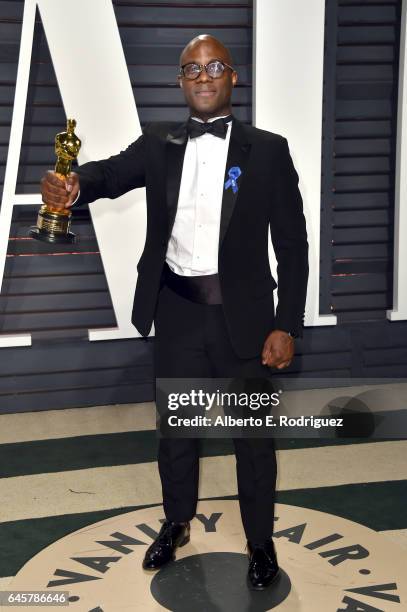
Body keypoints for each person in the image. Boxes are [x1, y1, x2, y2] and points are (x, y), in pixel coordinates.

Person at [40, 34, 309, 591]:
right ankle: (176, 522)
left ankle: (260, 541)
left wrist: (287, 323)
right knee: (177, 433)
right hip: (179, 314)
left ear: (233, 77)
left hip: (247, 321)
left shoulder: (269, 149)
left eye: (213, 67)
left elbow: (293, 244)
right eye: (191, 69)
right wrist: (73, 184)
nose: (203, 76)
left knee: (253, 439)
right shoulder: (157, 141)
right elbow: (109, 175)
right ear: (181, 82)